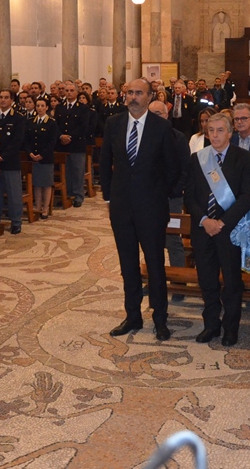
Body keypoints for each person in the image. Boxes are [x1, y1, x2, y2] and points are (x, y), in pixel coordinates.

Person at [101, 79, 180, 340]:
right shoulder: (114, 124)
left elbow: (172, 168)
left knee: (155, 264)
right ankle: (132, 315)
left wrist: (158, 195)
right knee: (128, 264)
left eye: (138, 93)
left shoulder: (161, 127)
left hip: (152, 208)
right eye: (130, 93)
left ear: (149, 97)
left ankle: (160, 318)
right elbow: (104, 162)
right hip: (122, 207)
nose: (133, 97)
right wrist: (109, 196)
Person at [185, 113, 250, 346]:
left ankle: (231, 328)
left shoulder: (244, 158)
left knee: (233, 283)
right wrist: (205, 220)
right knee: (207, 281)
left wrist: (223, 222)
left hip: (230, 231)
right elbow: (190, 196)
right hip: (203, 230)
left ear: (230, 132)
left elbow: (248, 196)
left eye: (219, 130)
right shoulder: (198, 158)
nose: (214, 135)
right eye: (210, 131)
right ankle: (211, 325)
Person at [149, 100, 191, 270]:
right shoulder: (144, 138)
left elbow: (185, 169)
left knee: (173, 238)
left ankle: (179, 281)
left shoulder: (178, 137)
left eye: (158, 114)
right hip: (150, 196)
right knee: (151, 238)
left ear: (166, 115)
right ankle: (153, 279)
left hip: (172, 197)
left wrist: (174, 190)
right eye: (151, 114)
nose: (154, 118)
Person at [0, 90, 26, 235]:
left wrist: (2, 156)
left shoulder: (18, 118)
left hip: (10, 161)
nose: (2, 100)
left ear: (12, 100)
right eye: (1, 97)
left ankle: (16, 222)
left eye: (6, 98)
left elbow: (17, 140)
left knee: (13, 193)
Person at [57, 82, 90, 208]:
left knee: (77, 170)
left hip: (76, 143)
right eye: (67, 90)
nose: (69, 92)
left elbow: (83, 126)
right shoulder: (60, 107)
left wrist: (70, 137)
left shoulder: (83, 108)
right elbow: (57, 124)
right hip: (63, 144)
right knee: (66, 172)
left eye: (71, 90)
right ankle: (67, 194)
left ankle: (78, 195)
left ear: (76, 92)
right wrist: (61, 136)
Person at [27, 97, 59, 219]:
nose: (40, 108)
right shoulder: (31, 121)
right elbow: (27, 140)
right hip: (33, 157)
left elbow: (52, 142)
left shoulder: (51, 122)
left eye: (42, 106)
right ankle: (37, 207)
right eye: (38, 106)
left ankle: (45, 208)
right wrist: (30, 153)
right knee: (37, 183)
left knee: (46, 183)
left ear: (46, 107)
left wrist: (42, 155)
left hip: (45, 158)